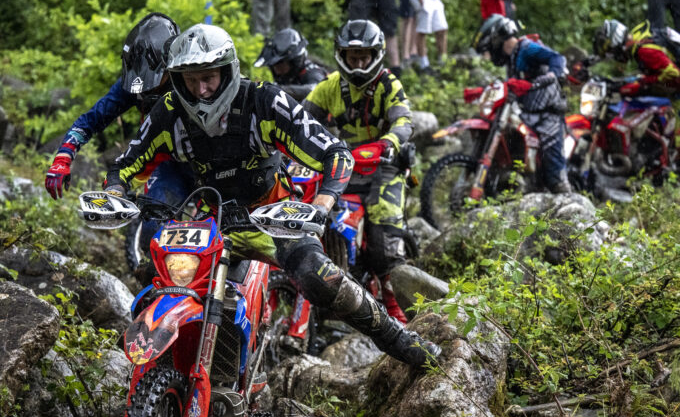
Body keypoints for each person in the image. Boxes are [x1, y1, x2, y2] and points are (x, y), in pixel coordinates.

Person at [104, 23, 440, 370]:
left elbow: (336, 154)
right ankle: (166, 375)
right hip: (213, 224)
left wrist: (322, 204)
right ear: (176, 79)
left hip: (273, 217)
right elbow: (124, 163)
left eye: (208, 78)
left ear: (227, 70)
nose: (201, 90)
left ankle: (405, 342)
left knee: (319, 277)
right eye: (190, 80)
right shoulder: (168, 111)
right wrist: (115, 191)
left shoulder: (263, 100)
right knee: (157, 275)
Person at [44, 13, 196, 256]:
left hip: (212, 160)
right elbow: (89, 120)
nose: (147, 90)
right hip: (166, 162)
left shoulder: (195, 77)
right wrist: (63, 157)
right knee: (153, 234)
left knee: (230, 233)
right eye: (143, 85)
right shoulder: (132, 84)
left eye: (154, 82)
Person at [302, 19, 414, 322]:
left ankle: (395, 307)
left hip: (384, 167)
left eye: (365, 57)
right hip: (343, 167)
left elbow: (404, 121)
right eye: (354, 58)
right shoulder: (329, 86)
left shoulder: (389, 83)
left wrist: (387, 143)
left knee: (383, 245)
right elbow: (300, 121)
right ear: (342, 55)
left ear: (376, 54)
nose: (359, 63)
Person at [592, 19, 680, 176]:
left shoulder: (644, 50)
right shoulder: (637, 47)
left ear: (616, 43)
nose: (613, 56)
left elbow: (672, 73)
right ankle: (649, 148)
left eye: (610, 51)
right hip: (670, 86)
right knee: (629, 92)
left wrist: (644, 82)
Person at [476, 15, 570, 194]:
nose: (490, 54)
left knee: (554, 174)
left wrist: (551, 75)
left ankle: (569, 199)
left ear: (497, 40)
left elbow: (558, 58)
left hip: (548, 114)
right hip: (528, 113)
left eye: (489, 48)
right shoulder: (511, 59)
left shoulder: (527, 48)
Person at [254, 28, 328, 101]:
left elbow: (315, 89)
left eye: (280, 66)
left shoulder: (313, 72)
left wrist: (275, 89)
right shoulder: (286, 78)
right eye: (274, 67)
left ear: (293, 62)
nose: (277, 71)